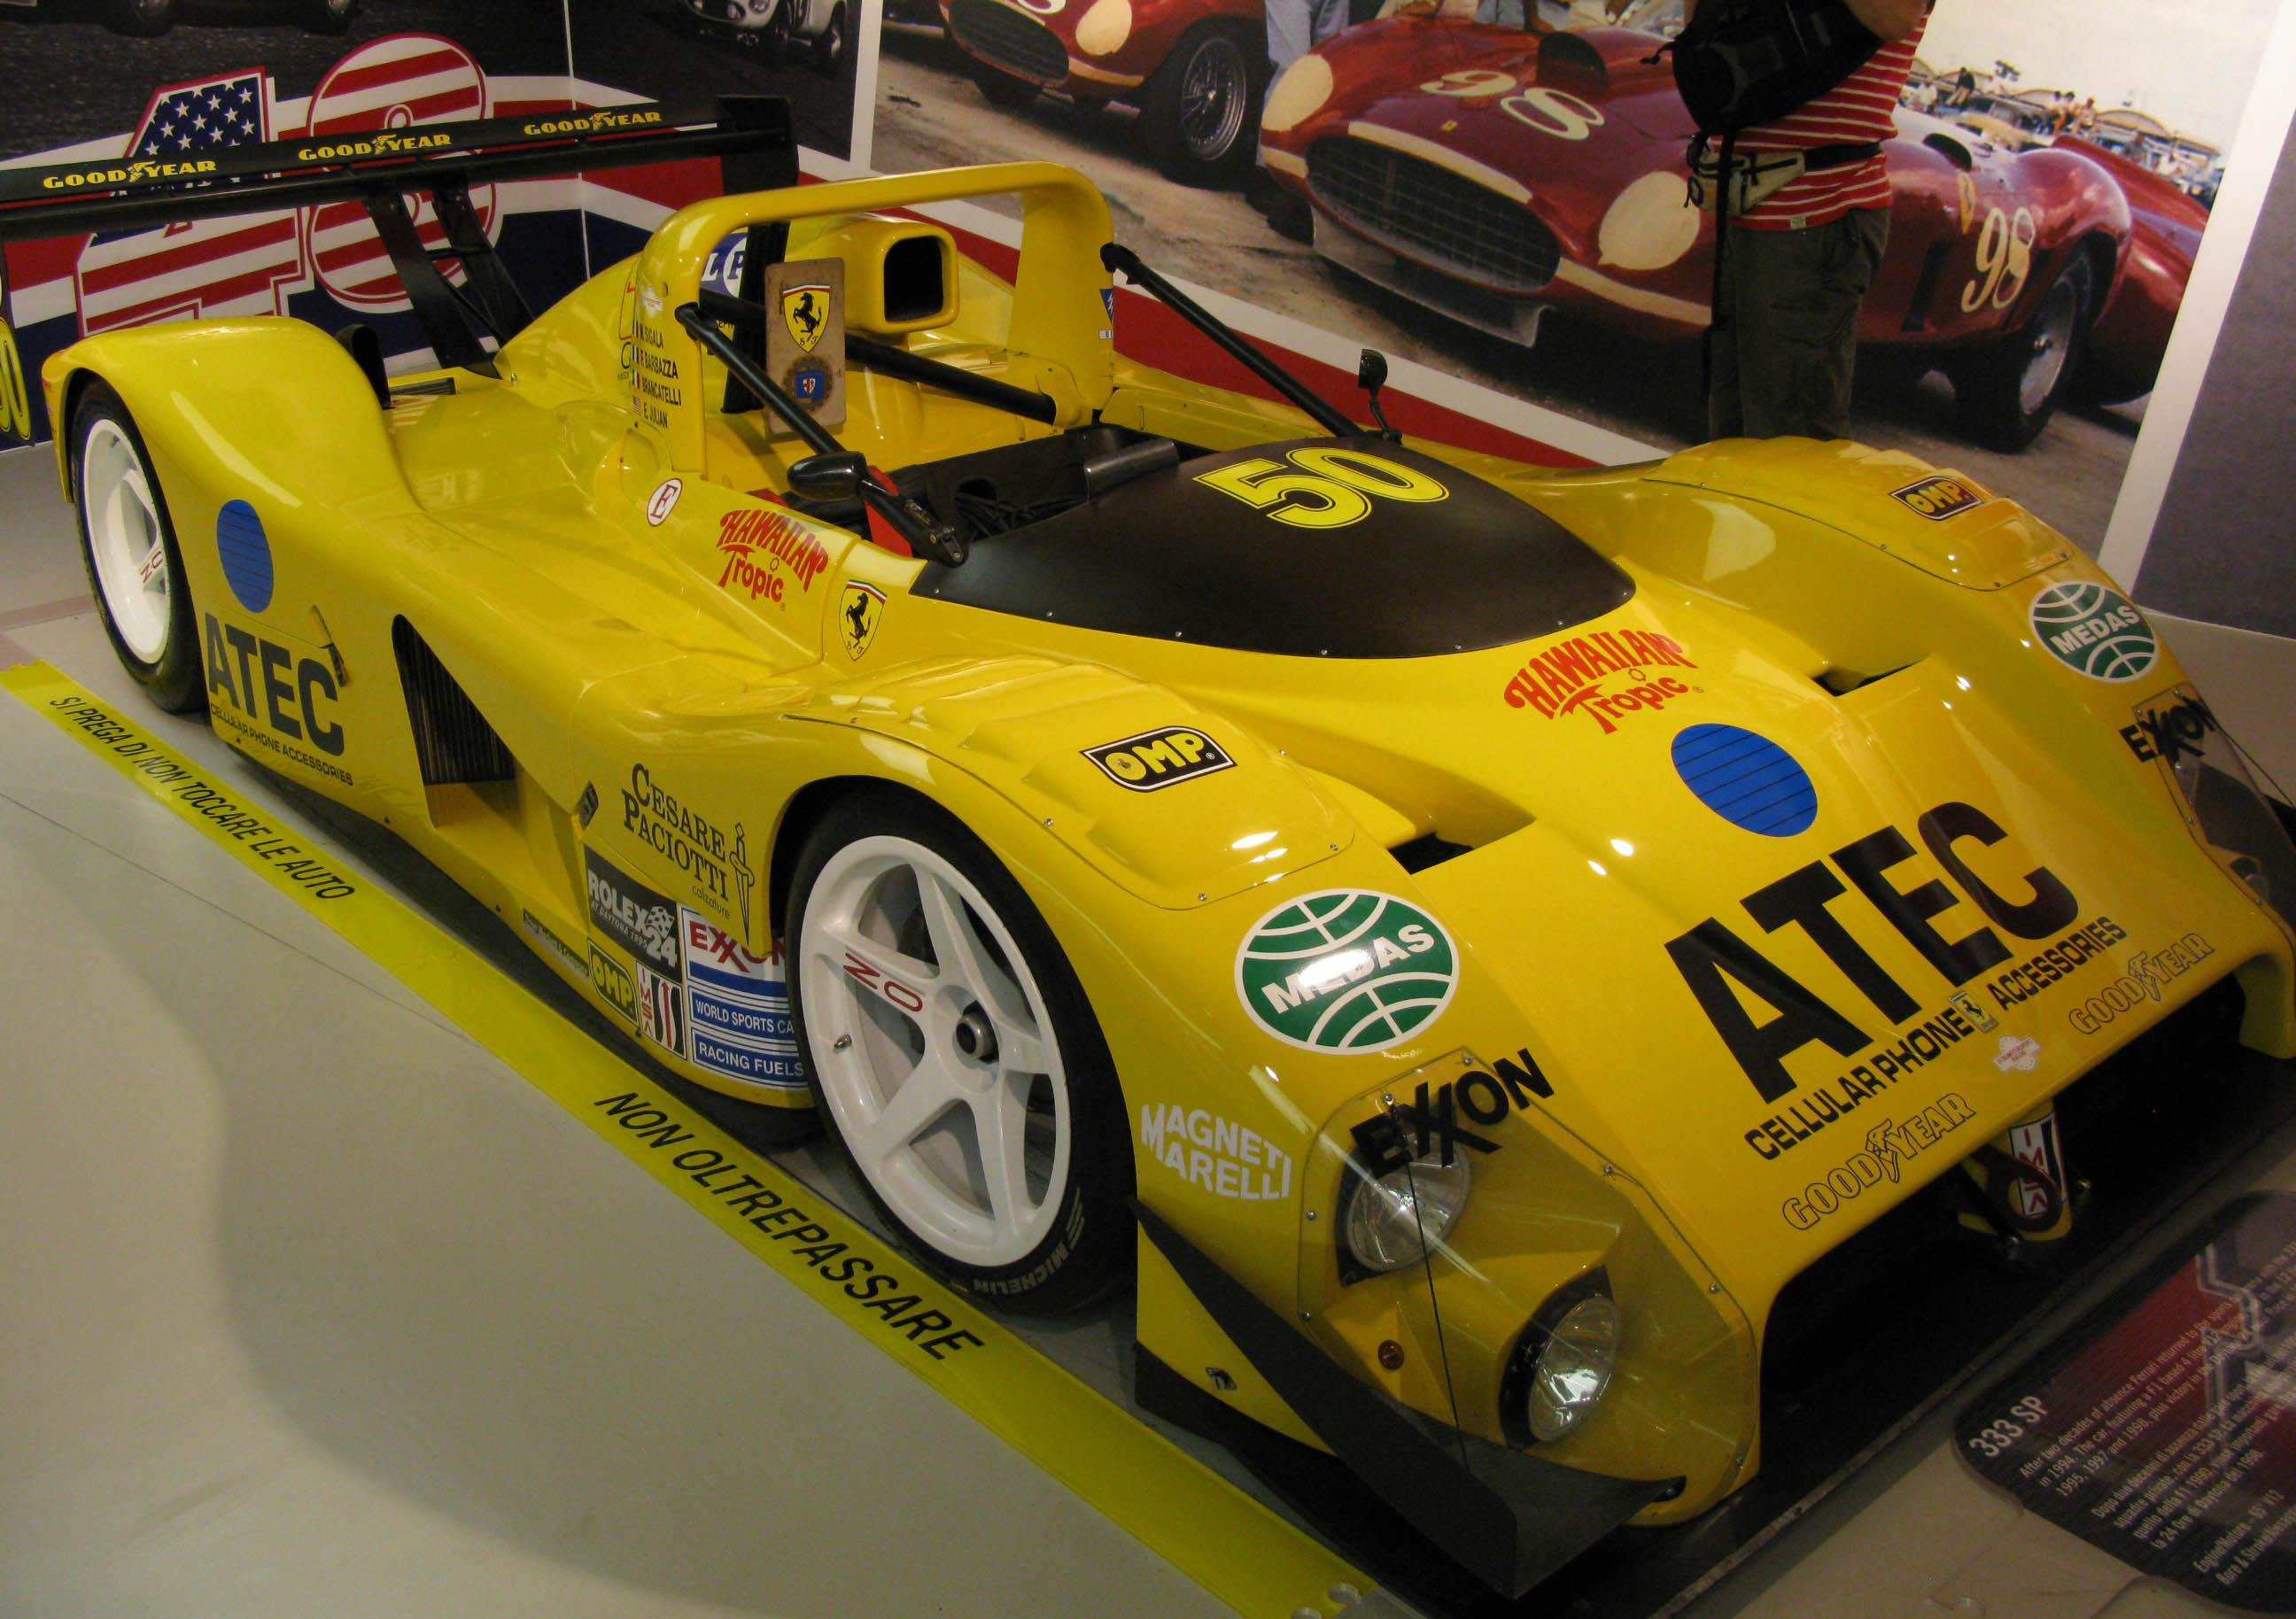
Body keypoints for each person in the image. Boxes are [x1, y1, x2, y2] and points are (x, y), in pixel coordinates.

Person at [1672, 0, 1931, 440]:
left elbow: (1895, 16)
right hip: (1755, 199)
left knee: (1789, 438)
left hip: (1818, 205)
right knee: (1732, 434)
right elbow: (1702, 31)